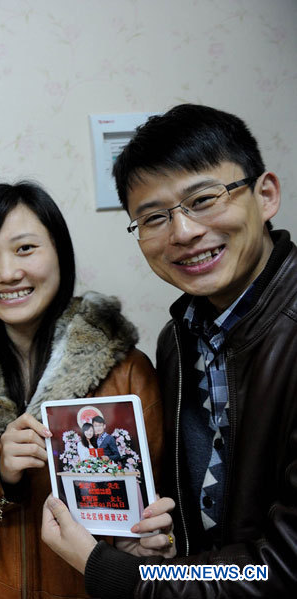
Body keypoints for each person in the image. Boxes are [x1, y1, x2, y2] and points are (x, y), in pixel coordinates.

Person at [42, 104, 297, 597]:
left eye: (204, 199)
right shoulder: (178, 337)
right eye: (154, 217)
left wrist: (116, 573)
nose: (183, 233)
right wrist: (164, 546)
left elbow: (280, 569)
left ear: (265, 195)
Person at [0, 181, 171, 599]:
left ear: (60, 252)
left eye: (25, 249)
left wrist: (151, 541)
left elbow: (162, 501)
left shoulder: (128, 370)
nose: (7, 273)